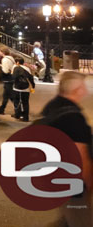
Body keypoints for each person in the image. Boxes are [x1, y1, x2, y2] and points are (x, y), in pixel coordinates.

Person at [39, 71, 92, 225]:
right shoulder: (73, 117)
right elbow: (81, 154)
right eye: (83, 87)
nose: (86, 91)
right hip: (73, 181)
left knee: (69, 218)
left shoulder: (54, 105)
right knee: (80, 220)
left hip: (55, 173)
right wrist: (87, 183)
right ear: (76, 90)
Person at [11, 56, 34, 122]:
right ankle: (26, 117)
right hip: (26, 88)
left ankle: (17, 115)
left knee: (16, 102)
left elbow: (13, 78)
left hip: (17, 88)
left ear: (17, 62)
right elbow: (31, 78)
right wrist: (33, 86)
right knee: (25, 102)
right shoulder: (27, 69)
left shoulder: (15, 68)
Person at [0, 49, 16, 115]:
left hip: (7, 79)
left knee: (11, 96)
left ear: (3, 52)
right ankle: (1, 109)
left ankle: (19, 111)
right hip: (11, 78)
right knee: (6, 95)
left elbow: (5, 71)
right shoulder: (11, 58)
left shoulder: (4, 59)